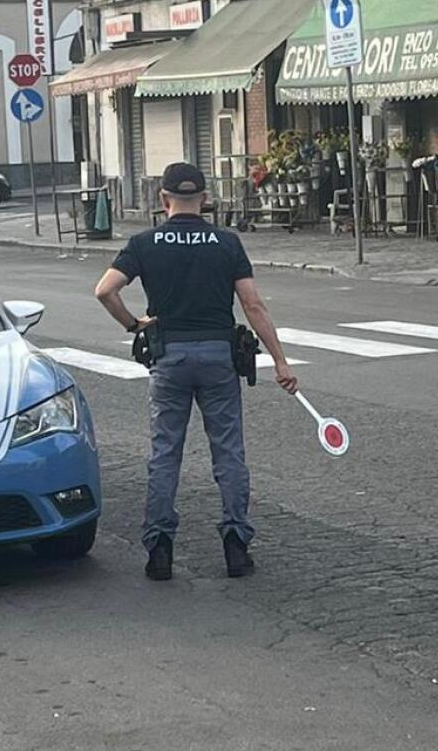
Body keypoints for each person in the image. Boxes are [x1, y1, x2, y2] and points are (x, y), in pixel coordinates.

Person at [94, 162, 298, 582]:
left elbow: (105, 290)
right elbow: (252, 304)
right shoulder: (226, 243)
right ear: (204, 199)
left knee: (165, 453)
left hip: (169, 357)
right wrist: (280, 360)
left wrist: (134, 325)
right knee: (228, 451)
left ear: (162, 199)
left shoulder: (144, 242)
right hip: (219, 357)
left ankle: (160, 550)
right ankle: (236, 546)